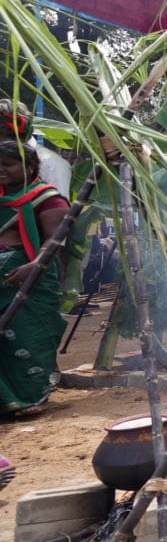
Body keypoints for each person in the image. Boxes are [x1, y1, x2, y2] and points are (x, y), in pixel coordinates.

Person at [0, 141, 68, 417]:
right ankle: (7, 400)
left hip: (31, 281)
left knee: (28, 336)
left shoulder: (48, 198)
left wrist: (34, 266)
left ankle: (30, 397)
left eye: (8, 164)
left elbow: (54, 241)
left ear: (29, 167)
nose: (1, 170)